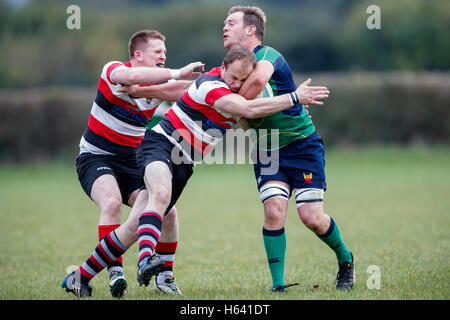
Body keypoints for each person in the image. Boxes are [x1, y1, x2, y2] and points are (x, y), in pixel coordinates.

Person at [61, 46, 329, 298]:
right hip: (160, 145)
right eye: (233, 76)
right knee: (161, 194)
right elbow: (246, 109)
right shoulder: (211, 85)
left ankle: (80, 277)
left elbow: (252, 117)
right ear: (222, 68)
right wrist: (295, 98)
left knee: (134, 225)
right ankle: (146, 259)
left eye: (242, 79)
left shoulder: (234, 92)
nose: (236, 83)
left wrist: (295, 115)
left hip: (185, 163)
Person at [223, 6, 354, 292]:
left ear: (251, 30)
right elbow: (243, 119)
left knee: (311, 217)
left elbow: (257, 82)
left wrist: (230, 107)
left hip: (301, 145)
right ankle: (278, 285)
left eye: (231, 22)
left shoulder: (268, 55)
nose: (224, 27)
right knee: (274, 210)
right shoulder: (229, 71)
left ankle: (345, 258)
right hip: (267, 150)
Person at [70, 29, 203, 297]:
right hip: (96, 157)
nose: (163, 57)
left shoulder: (156, 85)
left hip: (132, 161)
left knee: (168, 211)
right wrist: (178, 71)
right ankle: (115, 273)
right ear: (138, 54)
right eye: (158, 52)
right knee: (110, 202)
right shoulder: (114, 70)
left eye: (165, 53)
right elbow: (132, 77)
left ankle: (165, 276)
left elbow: (187, 91)